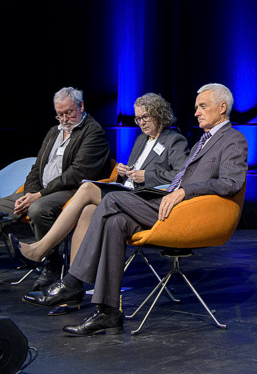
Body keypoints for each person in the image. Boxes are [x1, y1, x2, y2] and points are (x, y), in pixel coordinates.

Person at [25, 83, 247, 336]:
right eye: (196, 107)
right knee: (114, 222)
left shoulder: (233, 139)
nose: (196, 112)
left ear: (222, 107)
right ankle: (108, 312)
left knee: (109, 200)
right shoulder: (203, 141)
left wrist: (184, 191)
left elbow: (231, 183)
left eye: (202, 106)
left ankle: (73, 282)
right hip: (165, 201)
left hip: (186, 211)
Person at [16, 93, 187, 270]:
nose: (141, 123)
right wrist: (124, 172)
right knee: (87, 210)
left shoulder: (174, 139)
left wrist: (147, 176)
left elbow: (182, 175)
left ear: (158, 114)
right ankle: (73, 278)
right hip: (127, 192)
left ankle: (39, 250)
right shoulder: (141, 139)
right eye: (137, 119)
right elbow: (133, 172)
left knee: (87, 188)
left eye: (145, 117)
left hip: (145, 199)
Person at [0, 87, 111, 288]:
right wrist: (30, 193)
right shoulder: (54, 132)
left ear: (81, 106)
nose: (64, 119)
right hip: (40, 191)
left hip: (72, 191)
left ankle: (50, 262)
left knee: (39, 208)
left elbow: (76, 174)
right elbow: (37, 168)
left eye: (69, 112)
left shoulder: (93, 132)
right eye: (60, 114)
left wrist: (39, 195)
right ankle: (32, 257)